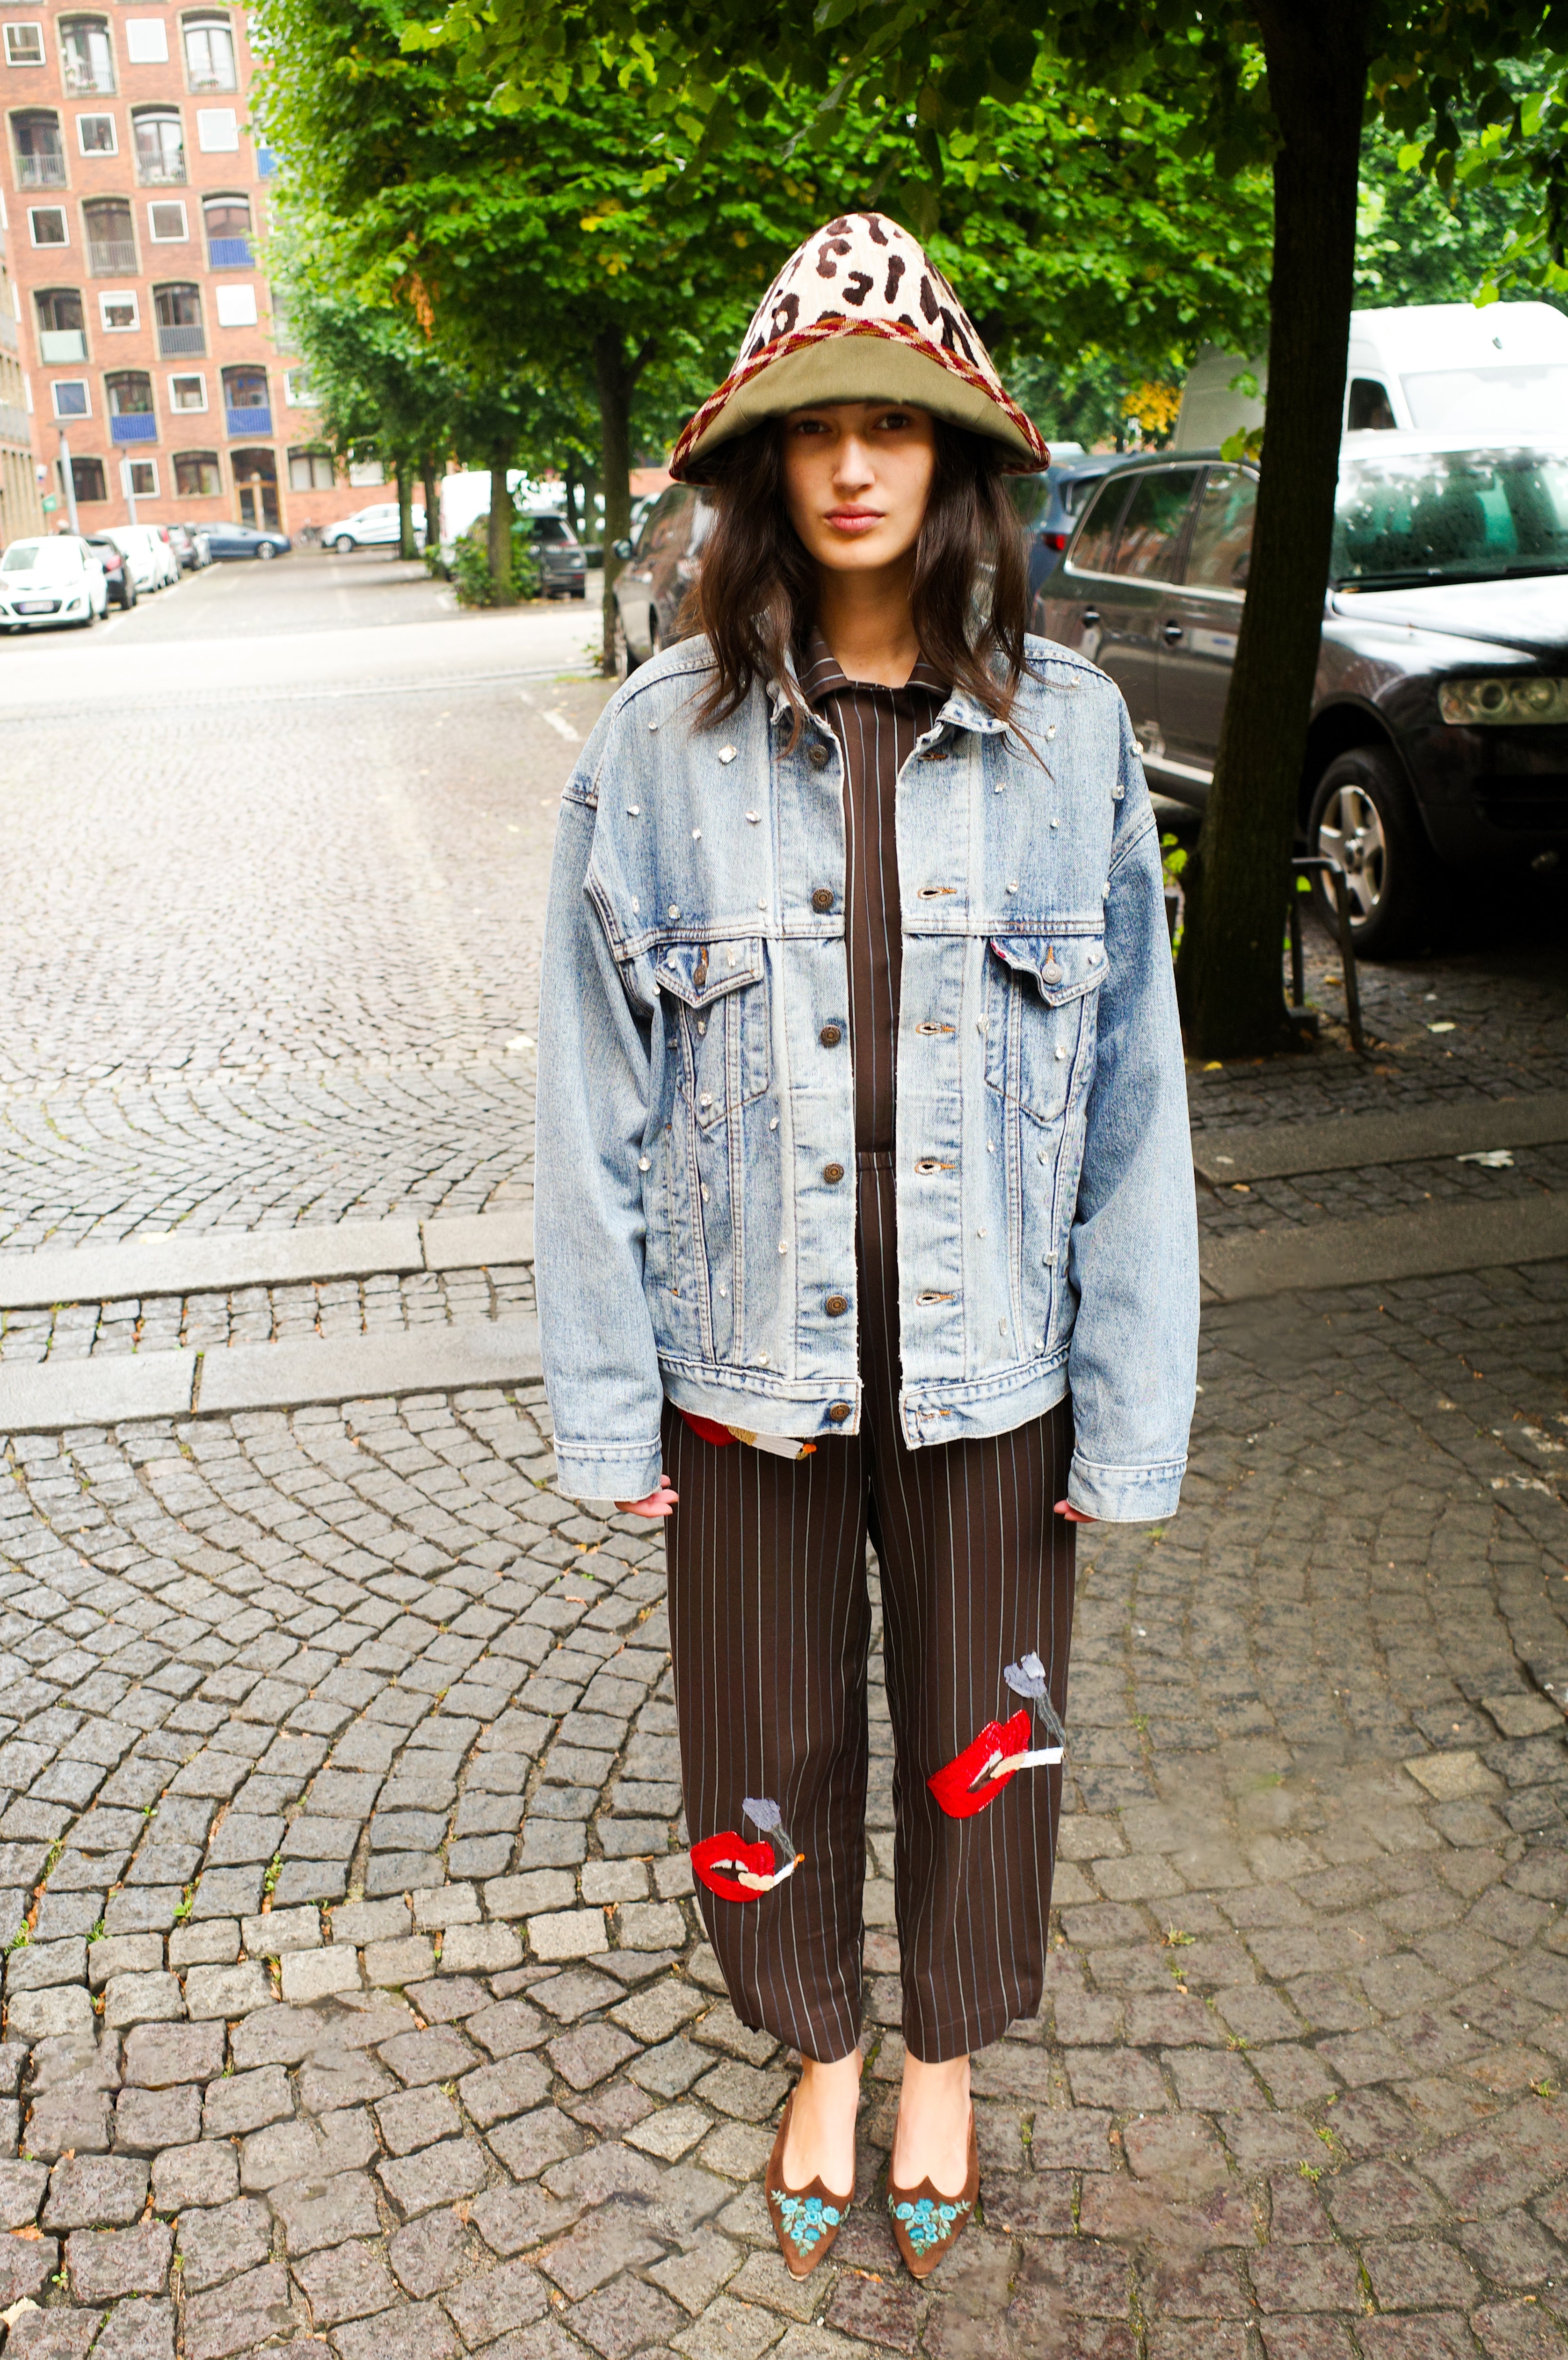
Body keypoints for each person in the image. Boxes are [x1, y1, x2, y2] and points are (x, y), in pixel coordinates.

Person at [536, 212, 1198, 2282]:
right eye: (809, 429)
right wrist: (603, 1380)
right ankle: (815, 2038)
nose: (849, 465)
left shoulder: (1072, 735)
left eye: (889, 426)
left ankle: (943, 2052)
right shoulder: (654, 747)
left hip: (1001, 1345)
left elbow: (1135, 1100)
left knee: (982, 1725)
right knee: (765, 1733)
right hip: (744, 1355)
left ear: (951, 463)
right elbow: (588, 1088)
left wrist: (1133, 1395)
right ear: (760, 471)